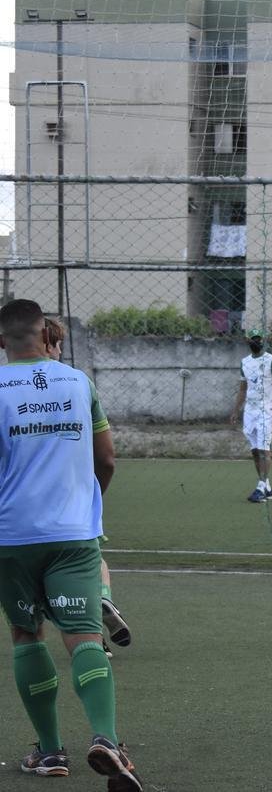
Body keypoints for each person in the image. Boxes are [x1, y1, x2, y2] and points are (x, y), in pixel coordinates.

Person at [0, 300, 143, 789]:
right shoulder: (78, 383)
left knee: (26, 634)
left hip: (11, 536)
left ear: (2, 340)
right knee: (83, 636)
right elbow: (107, 460)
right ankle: (105, 738)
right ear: (45, 335)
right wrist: (87, 503)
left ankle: (49, 752)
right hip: (74, 534)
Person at [44, 318, 133, 655]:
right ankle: (103, 603)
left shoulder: (10, 386)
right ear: (49, 345)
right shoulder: (78, 385)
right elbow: (106, 457)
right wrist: (95, 494)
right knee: (92, 559)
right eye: (59, 344)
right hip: (77, 498)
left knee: (46, 578)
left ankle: (88, 633)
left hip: (27, 507)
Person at [230, 327, 272, 503]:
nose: (256, 342)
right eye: (253, 339)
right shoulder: (245, 362)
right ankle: (267, 487)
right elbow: (242, 389)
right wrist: (235, 411)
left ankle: (260, 487)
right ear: (249, 342)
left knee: (264, 450)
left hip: (266, 411)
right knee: (255, 451)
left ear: (263, 342)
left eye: (259, 339)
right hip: (250, 413)